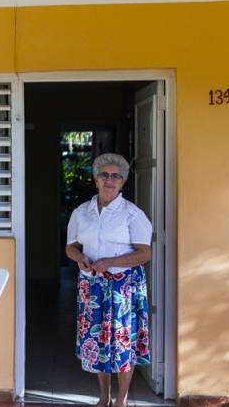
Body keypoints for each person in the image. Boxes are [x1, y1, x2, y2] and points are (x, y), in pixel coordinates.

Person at [65, 153, 152, 407]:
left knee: (122, 341)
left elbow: (144, 253)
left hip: (123, 287)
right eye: (104, 175)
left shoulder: (132, 214)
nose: (110, 180)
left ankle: (122, 400)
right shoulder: (82, 212)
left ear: (123, 182)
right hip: (91, 286)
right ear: (96, 180)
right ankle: (104, 397)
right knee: (97, 342)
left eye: (116, 176)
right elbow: (70, 246)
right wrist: (80, 258)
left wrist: (110, 262)